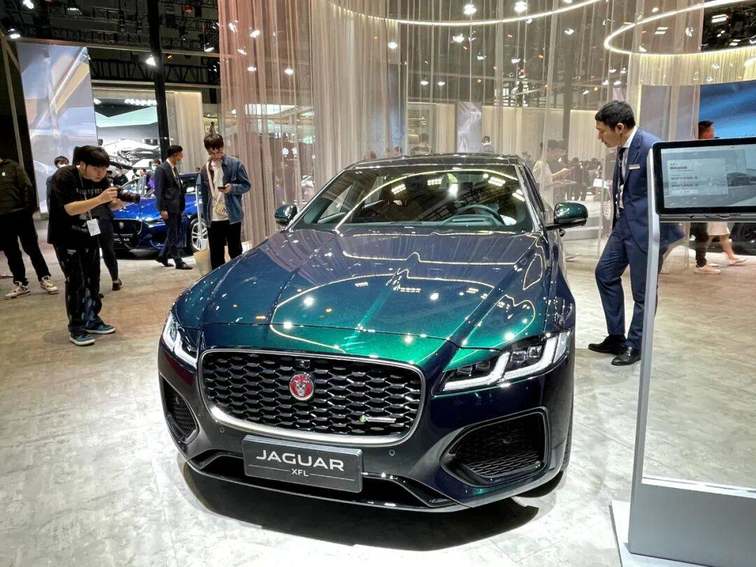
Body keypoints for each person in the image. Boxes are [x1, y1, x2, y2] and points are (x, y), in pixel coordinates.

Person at [588, 101, 683, 366]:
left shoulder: (651, 147)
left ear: (619, 127)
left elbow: (670, 191)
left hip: (646, 231)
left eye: (601, 131)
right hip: (623, 227)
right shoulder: (623, 149)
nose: (599, 137)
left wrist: (663, 234)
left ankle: (635, 344)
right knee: (604, 273)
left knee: (643, 292)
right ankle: (616, 337)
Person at [48, 145, 122, 346]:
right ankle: (76, 327)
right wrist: (100, 198)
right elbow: (70, 209)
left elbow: (108, 204)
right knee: (76, 281)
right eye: (96, 169)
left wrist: (119, 202)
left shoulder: (101, 179)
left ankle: (92, 319)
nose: (100, 174)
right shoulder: (64, 176)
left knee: (93, 279)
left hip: (89, 233)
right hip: (65, 237)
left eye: (104, 169)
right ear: (82, 164)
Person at [0, 157, 58, 299]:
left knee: (32, 248)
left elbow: (27, 187)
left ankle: (44, 278)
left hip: (21, 214)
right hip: (2, 219)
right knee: (11, 252)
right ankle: (20, 283)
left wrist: (27, 210)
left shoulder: (12, 167)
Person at [197, 133, 251, 270]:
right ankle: (218, 280)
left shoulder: (235, 164)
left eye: (219, 151)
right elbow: (204, 195)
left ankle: (237, 277)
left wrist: (232, 188)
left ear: (222, 147)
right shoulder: (205, 169)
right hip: (213, 218)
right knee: (216, 255)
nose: (216, 155)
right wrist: (206, 217)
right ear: (208, 150)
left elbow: (246, 185)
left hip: (231, 216)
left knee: (235, 252)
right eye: (212, 152)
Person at [155, 144, 192, 270]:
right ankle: (178, 261)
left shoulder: (173, 168)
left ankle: (162, 256)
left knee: (173, 232)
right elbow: (159, 191)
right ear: (175, 155)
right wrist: (162, 209)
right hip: (169, 207)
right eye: (180, 154)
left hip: (177, 206)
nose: (182, 156)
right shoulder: (161, 169)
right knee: (173, 234)